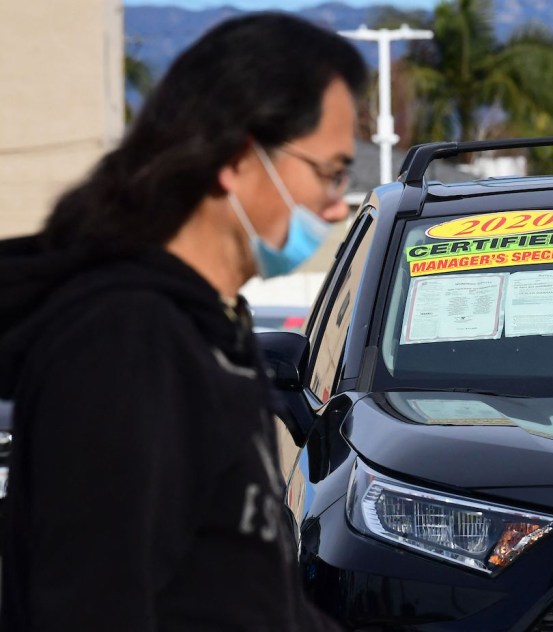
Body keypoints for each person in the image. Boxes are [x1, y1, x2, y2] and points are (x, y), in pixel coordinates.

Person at [0, 12, 366, 630]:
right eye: (329, 171)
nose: (337, 205)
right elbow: (90, 603)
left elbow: (240, 593)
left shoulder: (212, 330)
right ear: (238, 159)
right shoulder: (125, 342)